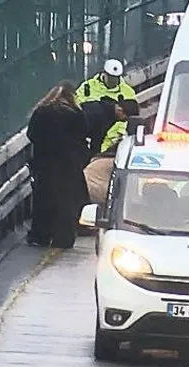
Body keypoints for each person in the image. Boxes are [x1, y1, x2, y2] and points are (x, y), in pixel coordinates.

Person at [25, 80, 90, 249]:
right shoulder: (75, 114)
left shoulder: (41, 112)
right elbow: (82, 136)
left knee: (43, 200)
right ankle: (64, 238)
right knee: (67, 202)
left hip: (45, 163)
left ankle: (41, 236)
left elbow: (31, 134)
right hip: (69, 165)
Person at [75, 59, 139, 153]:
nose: (113, 81)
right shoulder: (87, 87)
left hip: (115, 141)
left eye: (116, 78)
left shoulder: (127, 91)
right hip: (91, 137)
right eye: (111, 77)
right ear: (104, 73)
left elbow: (131, 113)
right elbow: (77, 106)